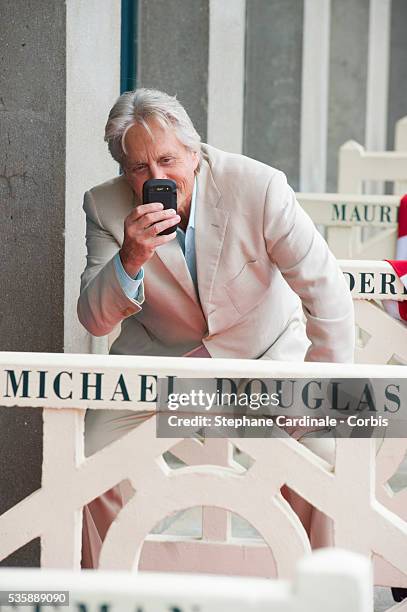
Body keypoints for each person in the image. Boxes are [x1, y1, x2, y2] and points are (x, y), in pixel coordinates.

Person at [77, 88, 355, 567]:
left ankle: (321, 591)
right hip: (161, 367)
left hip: (264, 359)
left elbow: (326, 290)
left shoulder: (258, 185)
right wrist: (131, 257)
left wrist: (317, 391)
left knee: (326, 462)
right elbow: (93, 317)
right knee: (85, 464)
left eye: (167, 159)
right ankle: (109, 588)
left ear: (194, 151)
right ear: (123, 170)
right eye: (139, 168)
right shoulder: (104, 206)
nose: (156, 177)